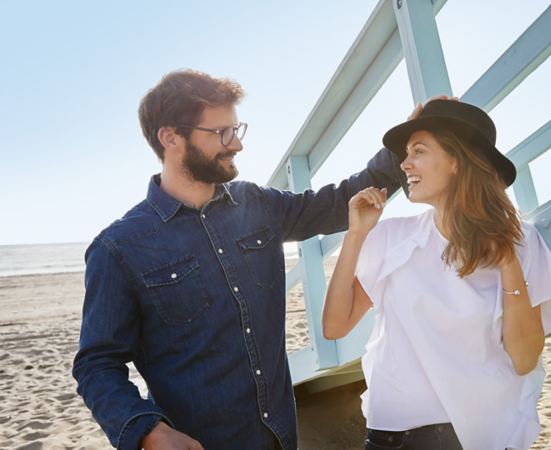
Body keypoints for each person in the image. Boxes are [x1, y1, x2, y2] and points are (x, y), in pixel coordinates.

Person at [72, 69, 407, 450]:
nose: (237, 145)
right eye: (221, 133)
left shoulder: (257, 204)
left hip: (282, 438)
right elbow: (96, 366)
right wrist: (150, 431)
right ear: (170, 137)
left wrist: (407, 144)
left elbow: (337, 202)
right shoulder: (119, 248)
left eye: (237, 129)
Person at [322, 99, 551, 450]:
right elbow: (334, 327)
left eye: (418, 151)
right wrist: (356, 234)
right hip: (390, 432)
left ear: (457, 161)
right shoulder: (391, 237)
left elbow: (524, 358)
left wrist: (507, 263)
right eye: (406, 154)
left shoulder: (520, 241)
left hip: (476, 435)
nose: (404, 164)